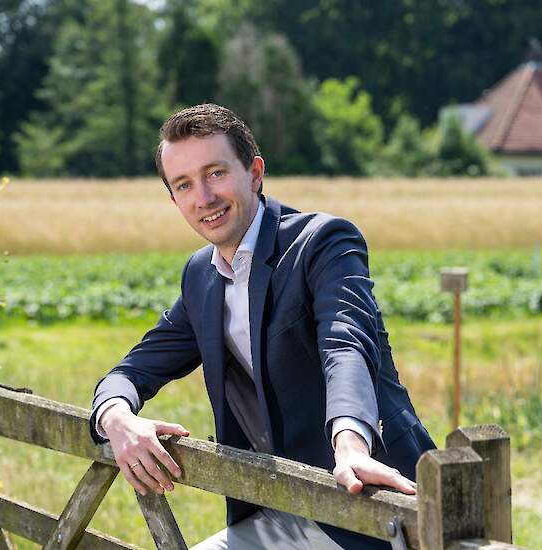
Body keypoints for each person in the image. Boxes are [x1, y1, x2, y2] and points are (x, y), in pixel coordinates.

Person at [89, 104, 435, 549]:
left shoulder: (323, 242)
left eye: (216, 173)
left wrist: (350, 445)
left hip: (376, 508)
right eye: (184, 184)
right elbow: (135, 369)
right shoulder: (201, 276)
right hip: (280, 512)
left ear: (254, 173)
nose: (204, 198)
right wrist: (116, 417)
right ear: (174, 199)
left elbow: (346, 345)